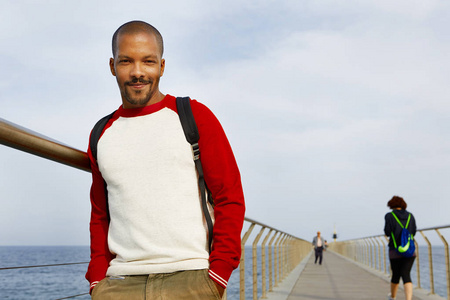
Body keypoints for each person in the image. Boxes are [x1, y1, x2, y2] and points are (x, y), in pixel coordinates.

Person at [85, 20, 245, 300]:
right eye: (126, 61)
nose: (137, 72)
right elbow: (100, 214)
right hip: (120, 283)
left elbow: (229, 196)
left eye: (148, 61)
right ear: (112, 66)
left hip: (191, 278)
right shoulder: (101, 133)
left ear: (161, 66)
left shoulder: (194, 116)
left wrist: (218, 275)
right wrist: (97, 281)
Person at [384, 196, 416, 300]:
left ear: (391, 205)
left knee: (396, 275)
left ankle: (393, 297)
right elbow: (413, 232)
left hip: (395, 250)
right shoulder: (410, 216)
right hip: (410, 251)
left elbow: (387, 232)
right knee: (406, 275)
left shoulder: (389, 216)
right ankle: (408, 299)